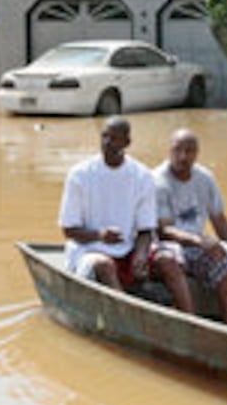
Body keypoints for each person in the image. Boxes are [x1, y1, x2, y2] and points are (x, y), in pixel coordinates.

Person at [59, 116, 194, 312]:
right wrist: (99, 236)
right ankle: (126, 314)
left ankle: (190, 319)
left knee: (169, 261)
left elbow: (146, 228)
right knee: (104, 265)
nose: (108, 143)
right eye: (105, 136)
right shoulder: (80, 174)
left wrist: (140, 254)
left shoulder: (141, 176)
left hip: (128, 250)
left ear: (127, 143)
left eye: (114, 138)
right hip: (89, 250)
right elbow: (68, 230)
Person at [152, 128, 227, 317]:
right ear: (169, 151)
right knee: (172, 257)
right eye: (178, 150)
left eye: (189, 151)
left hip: (197, 244)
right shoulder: (158, 181)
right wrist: (197, 241)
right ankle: (190, 319)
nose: (183, 156)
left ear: (197, 153)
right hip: (169, 244)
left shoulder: (205, 179)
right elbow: (164, 229)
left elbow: (220, 220)